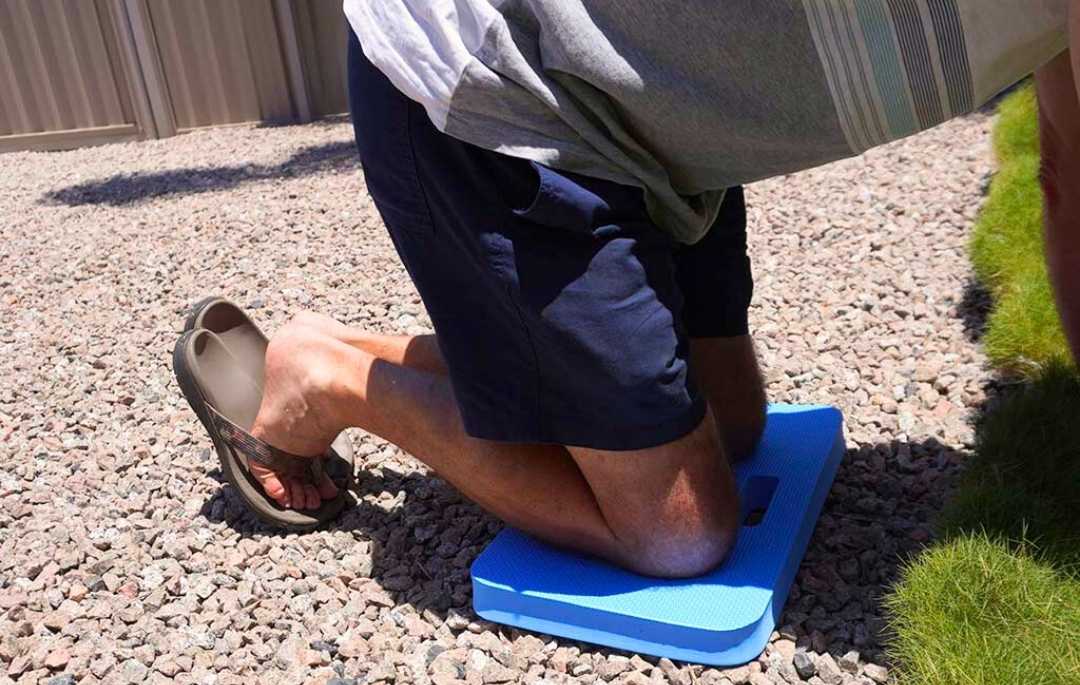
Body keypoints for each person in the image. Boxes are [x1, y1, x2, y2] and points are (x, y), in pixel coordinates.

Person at [240, 1, 1079, 577]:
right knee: (679, 534)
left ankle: (381, 350)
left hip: (657, 125)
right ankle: (329, 379)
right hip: (505, 95)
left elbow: (1067, 176)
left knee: (736, 428)